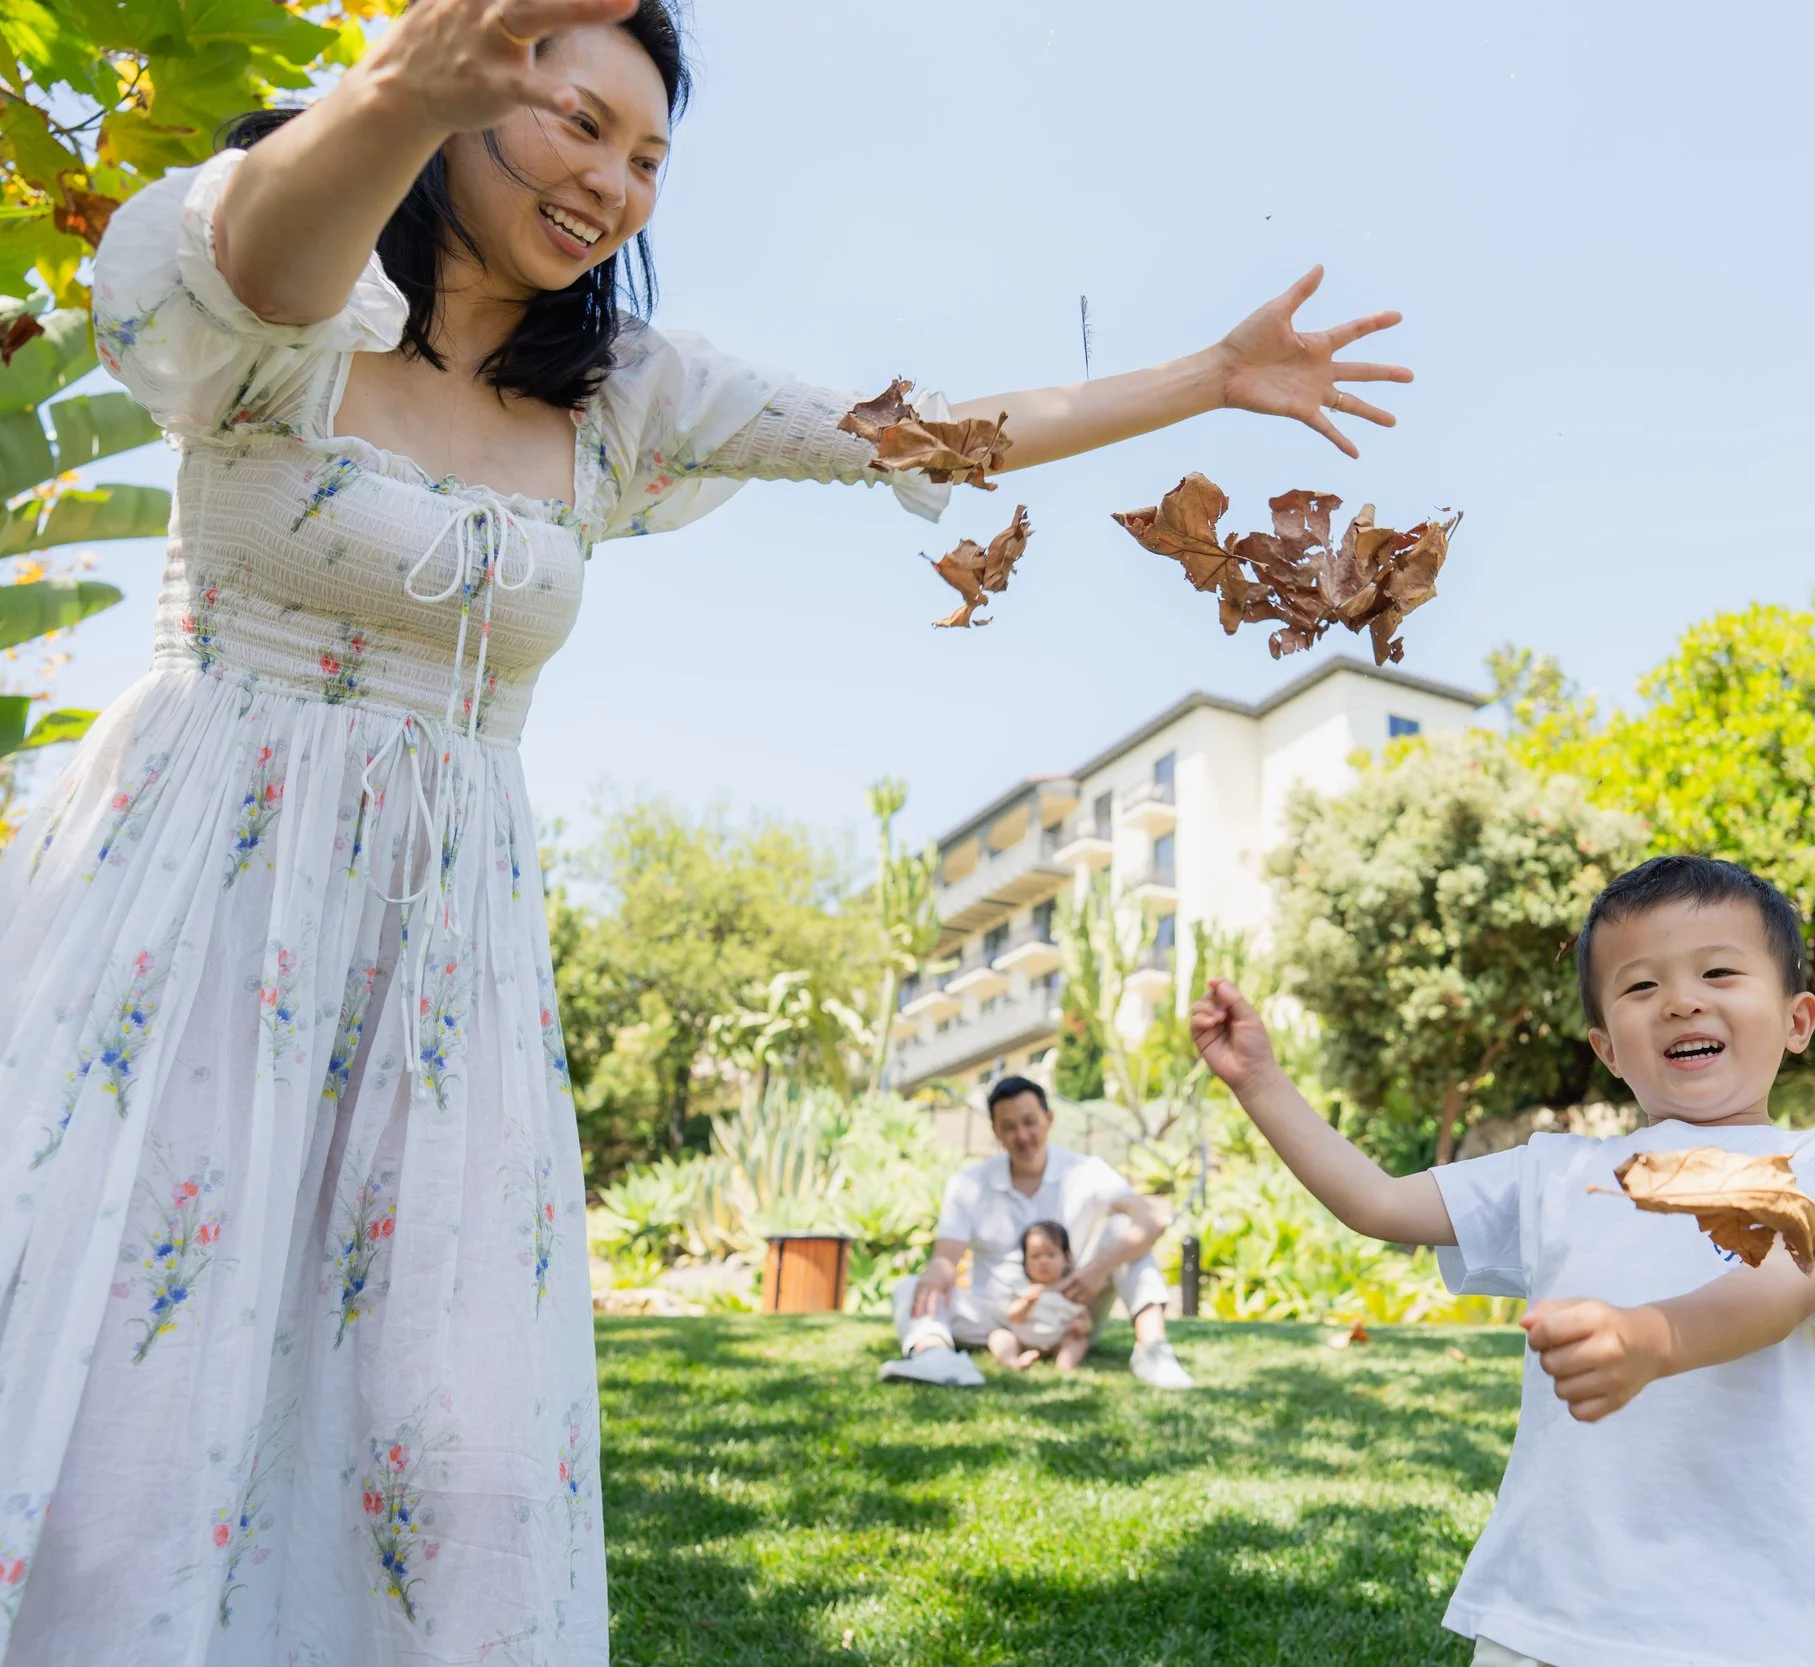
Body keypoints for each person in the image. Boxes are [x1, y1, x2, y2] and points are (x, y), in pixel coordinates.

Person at [0, 0, 1406, 1656]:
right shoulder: (299, 293)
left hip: (445, 966)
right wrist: (393, 92)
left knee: (456, 1452)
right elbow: (259, 258)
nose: (615, 180)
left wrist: (1209, 378)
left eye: (651, 155)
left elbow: (931, 430)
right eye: (577, 122)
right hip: (200, 909)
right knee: (141, 1402)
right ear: (455, 98)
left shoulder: (619, 397)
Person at [1190, 855, 1815, 1667]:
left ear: (1798, 1018)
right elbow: (1378, 1203)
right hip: (1558, 1611)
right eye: (1641, 987)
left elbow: (1788, 1282)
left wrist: (1654, 1339)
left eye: (1718, 970)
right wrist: (1259, 1082)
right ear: (1606, 1045)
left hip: (1775, 1614)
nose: (1681, 1000)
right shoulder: (1559, 1171)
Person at [882, 1076, 1192, 1389]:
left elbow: (1154, 1220)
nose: (1022, 1136)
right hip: (998, 1318)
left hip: (1069, 1310)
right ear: (995, 1131)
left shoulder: (1086, 1171)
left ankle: (1153, 1351)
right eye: (1009, 1127)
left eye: (1030, 1122)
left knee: (1125, 1228)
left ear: (1049, 1119)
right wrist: (937, 1271)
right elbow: (945, 1259)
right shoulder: (969, 1184)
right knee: (908, 1288)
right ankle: (934, 1357)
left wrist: (1098, 1270)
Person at [990, 1220, 1095, 1371]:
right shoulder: (1022, 1287)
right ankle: (1013, 1362)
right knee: (999, 1336)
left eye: (1051, 1255)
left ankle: (1065, 1364)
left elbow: (1085, 1319)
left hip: (1058, 1340)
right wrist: (1027, 1302)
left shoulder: (1070, 1290)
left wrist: (1081, 1327)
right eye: (1035, 1256)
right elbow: (1013, 1316)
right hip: (1022, 1339)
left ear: (1067, 1259)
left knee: (1078, 1341)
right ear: (1025, 1262)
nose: (1043, 1261)